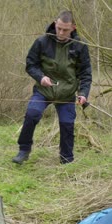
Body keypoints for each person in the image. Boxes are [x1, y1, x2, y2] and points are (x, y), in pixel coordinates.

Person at [12, 10, 92, 165]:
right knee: (32, 114)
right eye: (59, 28)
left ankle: (66, 159)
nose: (61, 32)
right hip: (44, 90)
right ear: (55, 24)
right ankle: (24, 150)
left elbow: (86, 74)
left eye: (65, 30)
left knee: (67, 124)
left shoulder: (80, 47)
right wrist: (40, 77)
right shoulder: (42, 42)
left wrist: (83, 93)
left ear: (73, 28)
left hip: (67, 94)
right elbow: (30, 64)